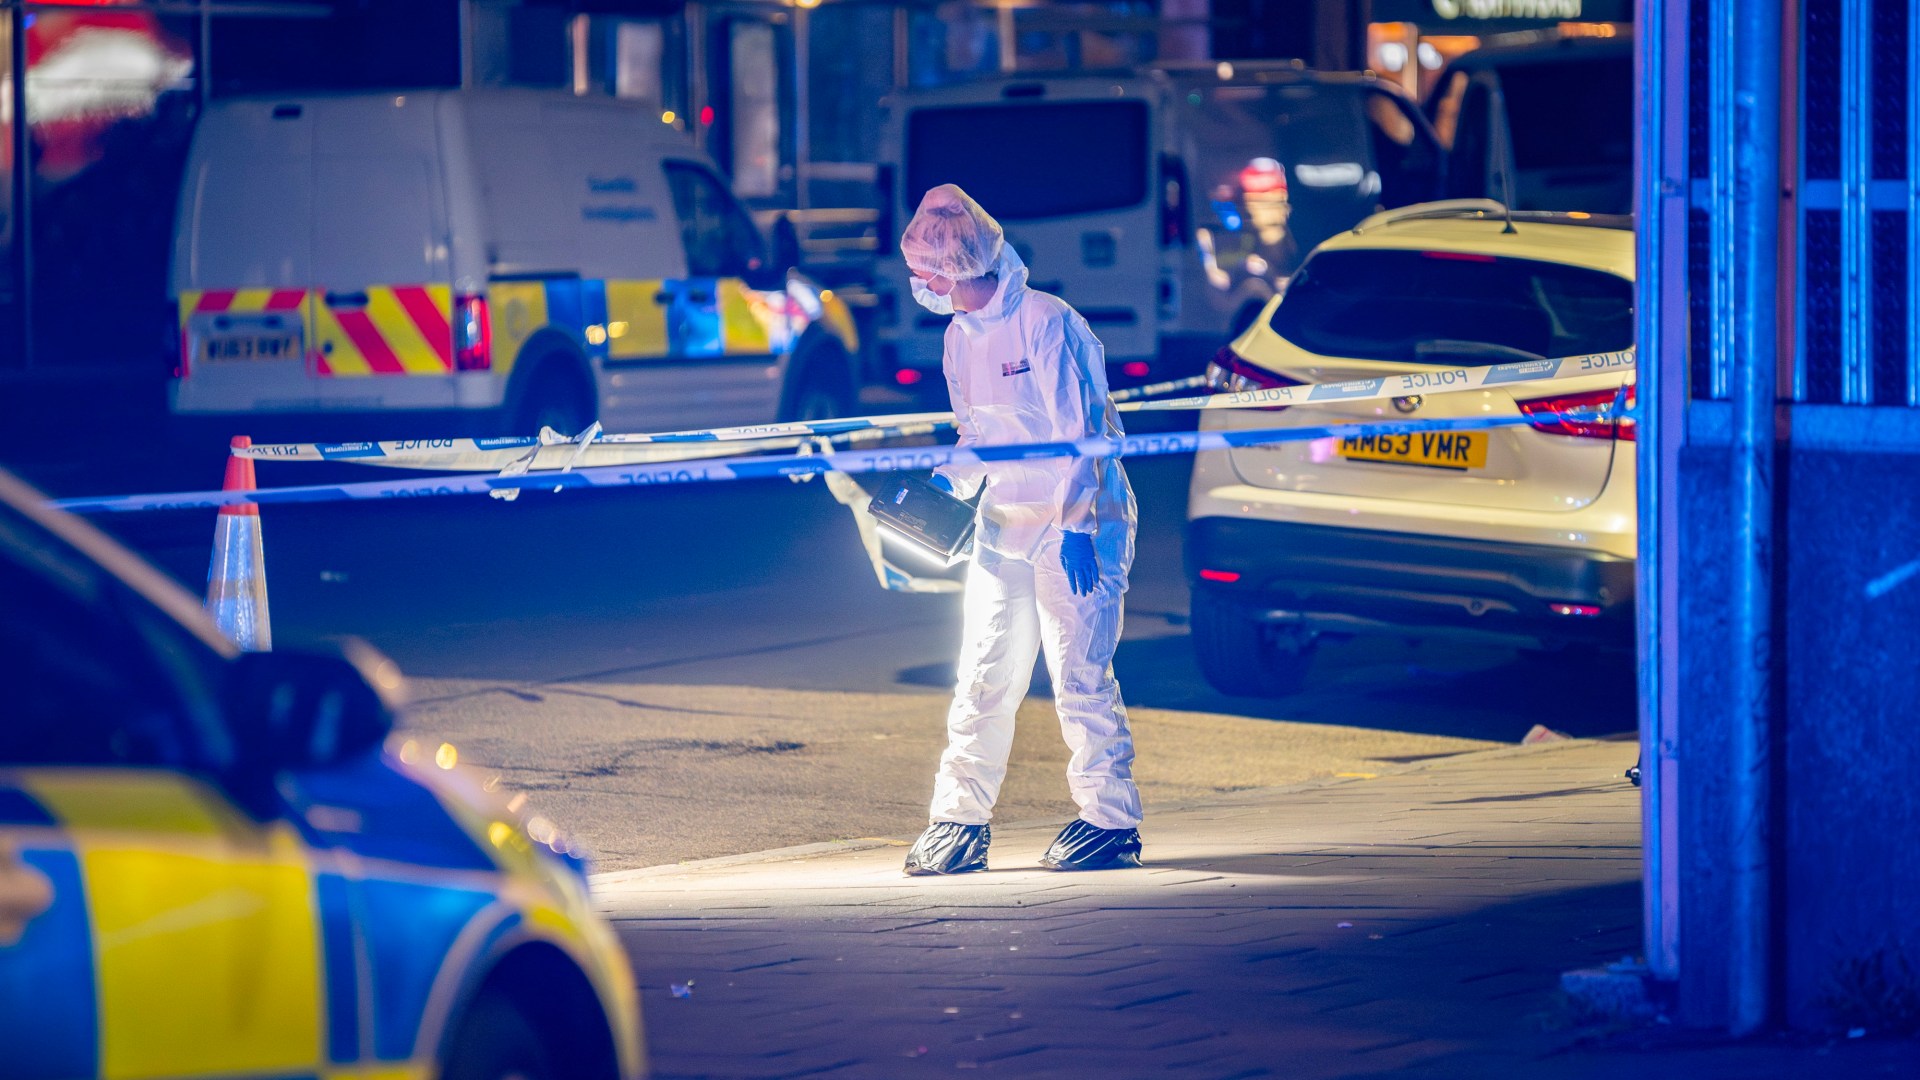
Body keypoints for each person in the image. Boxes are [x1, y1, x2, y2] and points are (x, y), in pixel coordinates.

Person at [897, 184, 1143, 875]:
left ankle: (1109, 817)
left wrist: (1078, 527)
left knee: (1079, 672)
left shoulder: (1047, 323)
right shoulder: (958, 337)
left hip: (1078, 520)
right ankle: (959, 819)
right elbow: (975, 433)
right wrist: (946, 486)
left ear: (956, 268)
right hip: (1005, 518)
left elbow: (1082, 435)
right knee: (983, 671)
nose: (920, 282)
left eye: (926, 271)